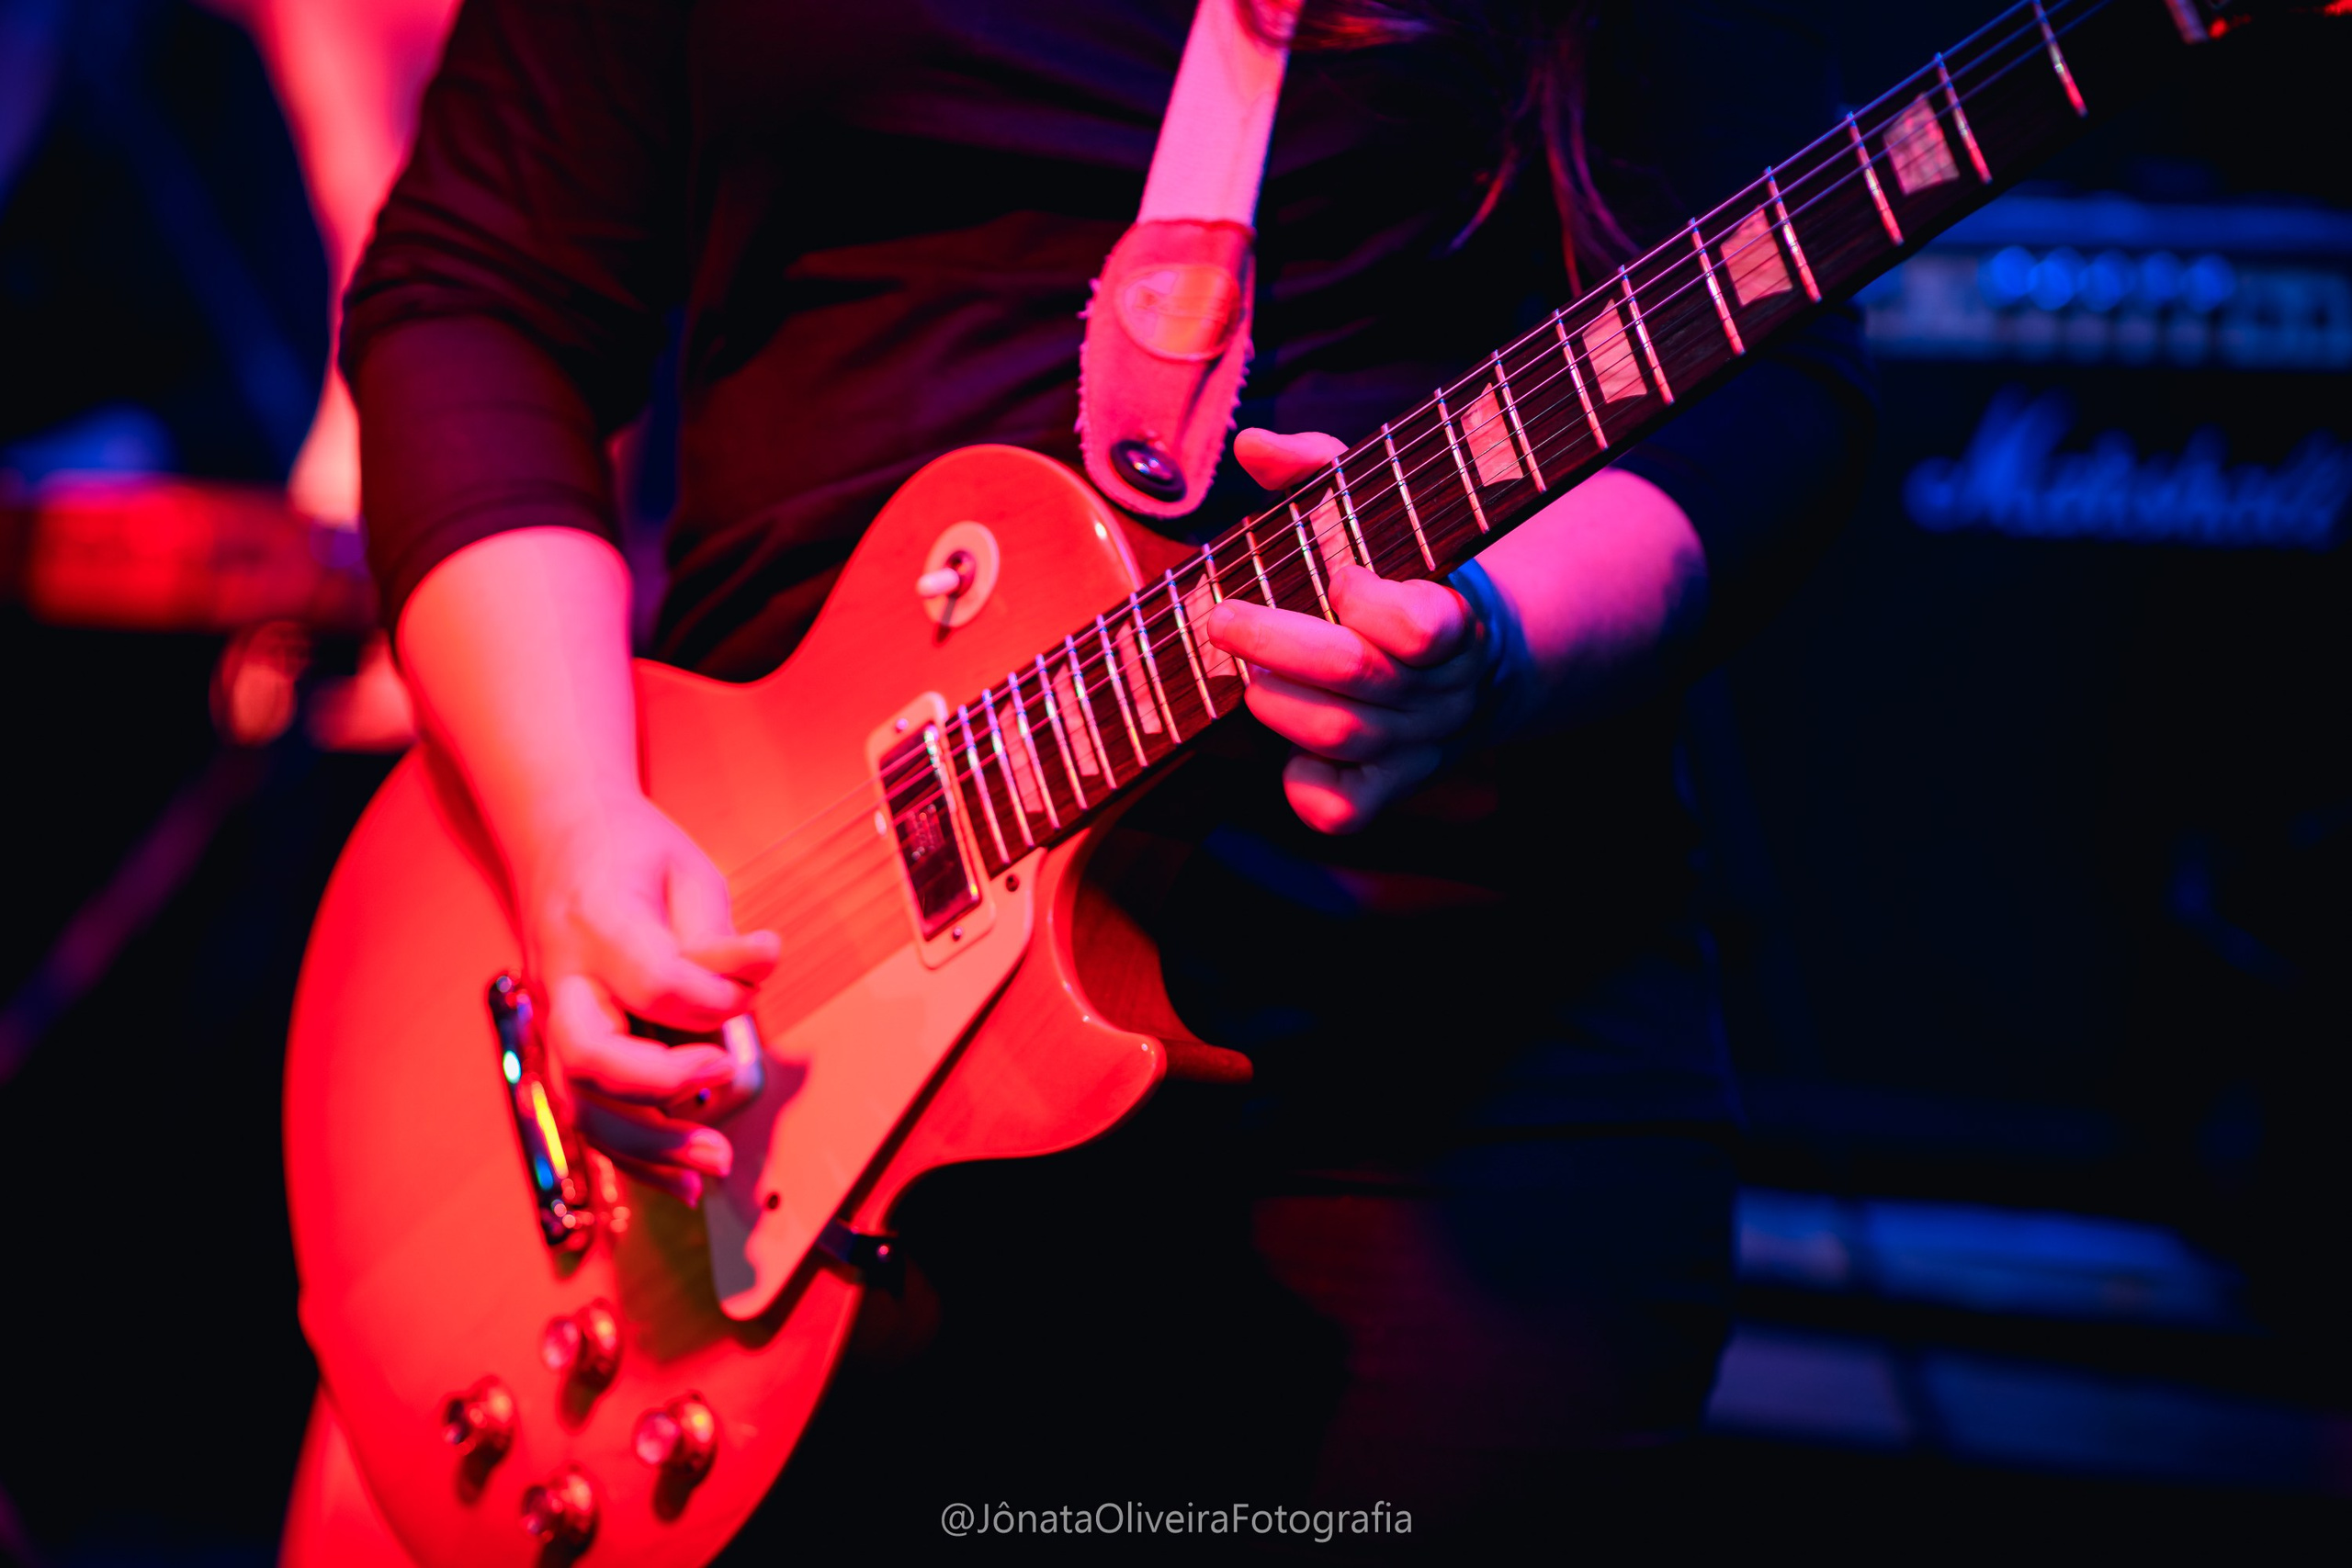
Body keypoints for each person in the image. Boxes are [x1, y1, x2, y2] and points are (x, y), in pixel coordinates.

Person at [321, 0, 1875, 1551]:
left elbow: (1767, 360)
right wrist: (572, 830)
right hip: (752, 1008)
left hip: (1427, 1077)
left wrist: (1494, 638)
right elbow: (485, 286)